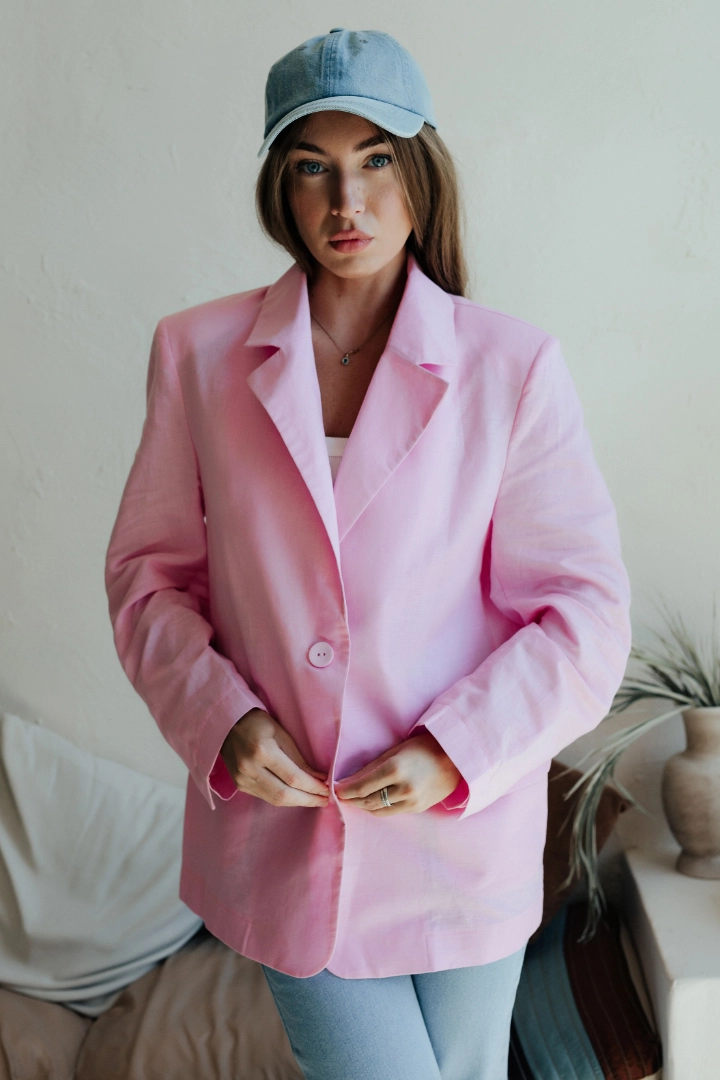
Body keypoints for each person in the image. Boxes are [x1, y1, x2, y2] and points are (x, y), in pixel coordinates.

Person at [105, 28, 632, 1080]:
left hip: (460, 839)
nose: (347, 202)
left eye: (376, 160)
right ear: (282, 187)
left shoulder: (512, 366)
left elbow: (583, 614)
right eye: (313, 167)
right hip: (286, 832)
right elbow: (147, 578)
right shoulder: (197, 353)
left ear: (420, 172)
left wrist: (455, 750)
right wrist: (221, 719)